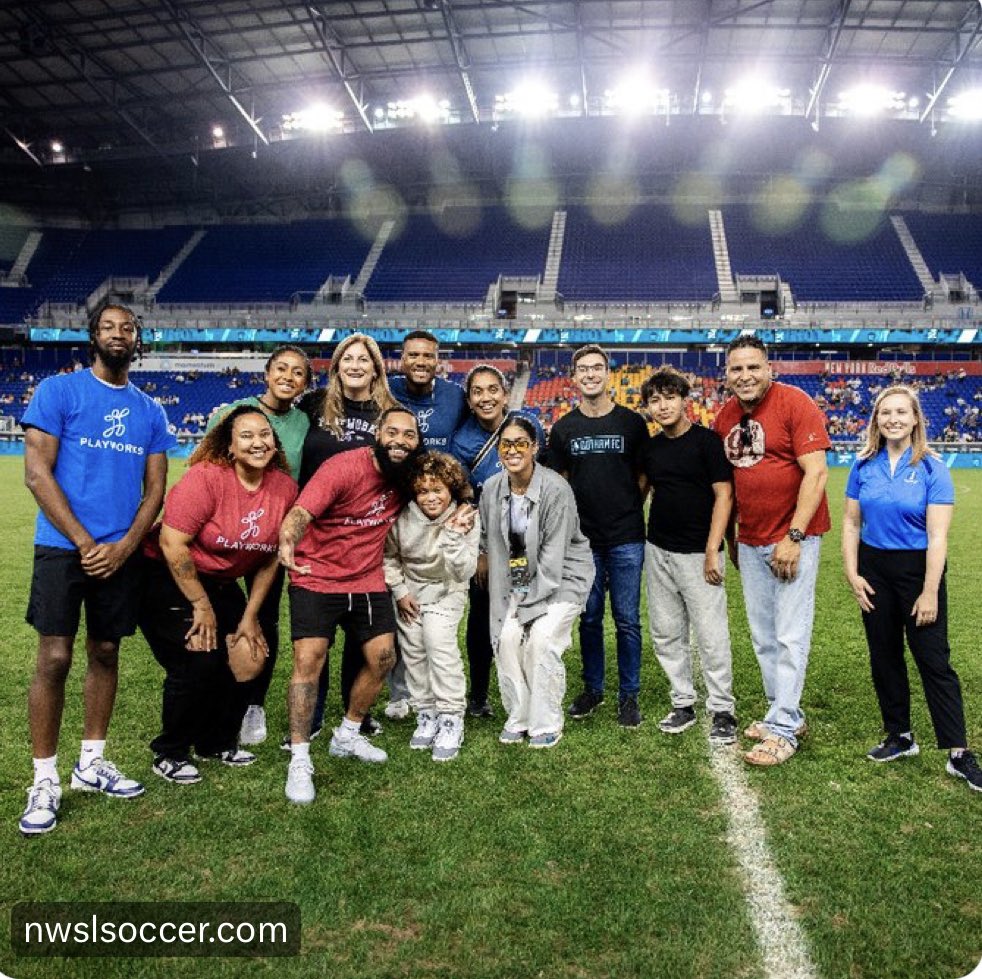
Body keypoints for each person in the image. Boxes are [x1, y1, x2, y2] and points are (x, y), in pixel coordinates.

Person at [19, 301, 175, 836]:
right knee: (55, 656)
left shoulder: (150, 410)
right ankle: (44, 778)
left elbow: (156, 490)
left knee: (106, 650)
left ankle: (91, 763)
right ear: (93, 337)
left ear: (137, 341)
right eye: (108, 327)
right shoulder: (58, 392)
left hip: (120, 553)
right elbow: (37, 475)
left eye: (127, 328)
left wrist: (125, 546)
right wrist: (86, 541)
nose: (118, 334)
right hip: (63, 548)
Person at [139, 406, 297, 783]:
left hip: (222, 582)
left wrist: (250, 616)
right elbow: (172, 544)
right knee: (198, 657)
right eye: (247, 436)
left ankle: (215, 742)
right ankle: (170, 751)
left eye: (265, 435)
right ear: (229, 446)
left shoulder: (284, 488)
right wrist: (200, 605)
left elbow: (269, 560)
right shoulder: (206, 479)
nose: (258, 442)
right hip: (165, 574)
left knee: (249, 653)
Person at [279, 407, 422, 804]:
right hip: (317, 575)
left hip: (366, 578)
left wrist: (463, 503)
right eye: (391, 432)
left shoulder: (408, 474)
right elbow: (300, 513)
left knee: (382, 657)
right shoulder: (343, 467)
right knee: (310, 659)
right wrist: (288, 539)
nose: (399, 440)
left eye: (408, 435)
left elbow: (449, 483)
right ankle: (300, 757)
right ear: (377, 433)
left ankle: (348, 734)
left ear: (417, 440)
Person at [842, 385, 980, 792]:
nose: (893, 419)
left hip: (918, 570)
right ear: (876, 420)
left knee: (934, 660)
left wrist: (929, 590)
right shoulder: (863, 464)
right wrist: (852, 574)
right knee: (884, 655)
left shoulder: (934, 467)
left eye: (901, 412)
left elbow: (938, 538)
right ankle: (899, 735)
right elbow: (851, 523)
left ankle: (959, 753)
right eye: (886, 413)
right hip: (873, 567)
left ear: (916, 418)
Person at [714, 335, 831, 767]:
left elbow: (816, 474)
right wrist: (729, 541)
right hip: (751, 540)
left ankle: (783, 730)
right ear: (727, 374)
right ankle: (783, 712)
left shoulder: (796, 403)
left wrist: (794, 536)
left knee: (789, 634)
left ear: (768, 369)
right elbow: (727, 486)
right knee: (764, 639)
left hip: (794, 539)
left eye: (752, 367)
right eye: (736, 369)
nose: (744, 376)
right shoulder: (725, 415)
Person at [293, 333, 401, 744]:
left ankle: (357, 715)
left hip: (364, 538)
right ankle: (313, 716)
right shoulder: (314, 405)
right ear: (337, 366)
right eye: (347, 359)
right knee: (314, 640)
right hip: (316, 536)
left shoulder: (389, 412)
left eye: (364, 359)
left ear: (376, 367)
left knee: (364, 640)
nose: (355, 366)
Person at [205, 345, 312, 747]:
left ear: (305, 382)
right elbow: (206, 467)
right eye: (281, 369)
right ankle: (217, 695)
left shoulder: (305, 422)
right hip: (230, 534)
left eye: (298, 372)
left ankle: (254, 705)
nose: (288, 376)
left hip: (272, 538)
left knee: (264, 620)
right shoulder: (234, 413)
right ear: (267, 374)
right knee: (221, 616)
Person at [547, 345, 649, 728]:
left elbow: (643, 477)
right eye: (582, 369)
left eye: (597, 368)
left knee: (626, 620)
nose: (590, 374)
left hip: (626, 537)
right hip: (582, 543)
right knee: (588, 618)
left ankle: (629, 695)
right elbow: (561, 484)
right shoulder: (564, 429)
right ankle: (593, 689)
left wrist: (625, 509)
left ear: (609, 374)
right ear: (573, 378)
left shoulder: (631, 423)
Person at [480, 417, 594, 748]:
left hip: (561, 579)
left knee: (541, 639)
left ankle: (546, 721)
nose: (512, 450)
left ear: (534, 447)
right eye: (506, 444)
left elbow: (554, 555)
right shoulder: (492, 488)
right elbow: (486, 536)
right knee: (507, 638)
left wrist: (530, 606)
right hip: (517, 579)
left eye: (520, 443)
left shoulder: (556, 488)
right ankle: (520, 716)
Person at [640, 367, 737, 744]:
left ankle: (722, 708)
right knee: (666, 632)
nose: (662, 406)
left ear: (684, 400)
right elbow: (643, 493)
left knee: (711, 635)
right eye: (654, 400)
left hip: (699, 553)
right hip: (659, 549)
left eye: (669, 398)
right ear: (648, 407)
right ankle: (683, 701)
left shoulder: (708, 443)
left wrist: (713, 549)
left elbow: (724, 496)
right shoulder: (652, 448)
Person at [450, 364, 545, 718]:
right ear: (470, 399)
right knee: (482, 618)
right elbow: (464, 497)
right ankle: (478, 694)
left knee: (528, 613)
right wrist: (481, 551)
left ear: (505, 394)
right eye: (477, 391)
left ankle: (528, 688)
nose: (486, 397)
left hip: (524, 537)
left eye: (493, 389)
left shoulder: (529, 425)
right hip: (486, 541)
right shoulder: (461, 440)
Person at [383, 330, 468, 719]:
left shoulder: (454, 396)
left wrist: (463, 495)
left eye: (428, 355)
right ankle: (403, 693)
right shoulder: (385, 389)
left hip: (437, 501)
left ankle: (445, 699)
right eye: (413, 354)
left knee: (439, 583)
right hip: (393, 502)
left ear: (438, 360)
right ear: (402, 358)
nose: (420, 361)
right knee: (397, 604)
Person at [383, 452, 479, 762]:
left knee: (438, 643)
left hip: (448, 588)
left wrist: (452, 535)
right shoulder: (403, 516)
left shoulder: (465, 516)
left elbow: (463, 571)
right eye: (423, 490)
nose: (430, 497)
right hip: (411, 590)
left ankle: (451, 717)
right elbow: (390, 557)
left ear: (450, 488)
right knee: (413, 649)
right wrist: (399, 591)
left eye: (437, 489)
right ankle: (427, 713)